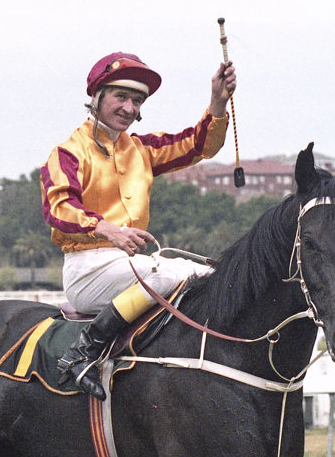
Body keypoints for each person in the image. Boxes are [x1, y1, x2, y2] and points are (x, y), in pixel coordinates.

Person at [40, 51, 237, 400]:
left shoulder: (142, 149)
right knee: (162, 277)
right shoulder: (68, 153)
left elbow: (198, 145)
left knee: (214, 278)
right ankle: (82, 353)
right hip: (87, 270)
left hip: (131, 266)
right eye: (121, 97)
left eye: (137, 101)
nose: (129, 108)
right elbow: (59, 208)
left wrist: (217, 101)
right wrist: (107, 229)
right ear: (96, 97)